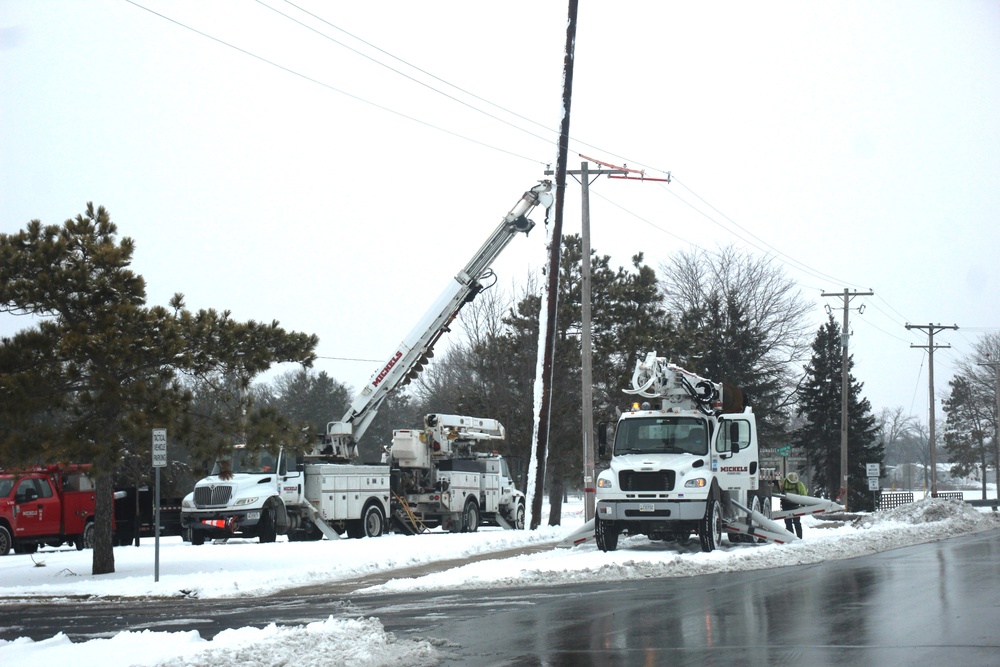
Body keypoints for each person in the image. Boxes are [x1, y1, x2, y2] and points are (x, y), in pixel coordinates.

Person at [781, 472, 807, 538]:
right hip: (795, 507)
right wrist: (803, 505)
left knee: (788, 523)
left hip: (786, 506)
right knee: (797, 523)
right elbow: (804, 495)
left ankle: (791, 538)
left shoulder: (783, 483)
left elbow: (777, 490)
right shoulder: (799, 485)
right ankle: (799, 537)